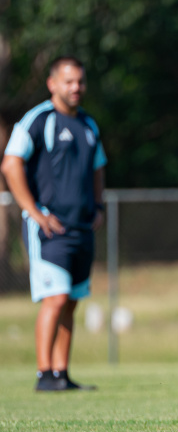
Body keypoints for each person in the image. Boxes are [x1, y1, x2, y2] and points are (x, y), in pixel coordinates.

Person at [1, 56, 106, 392]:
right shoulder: (38, 120)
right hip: (50, 229)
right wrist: (34, 211)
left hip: (81, 228)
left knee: (71, 301)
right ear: (52, 84)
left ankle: (61, 373)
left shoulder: (89, 125)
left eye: (80, 81)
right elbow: (10, 164)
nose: (75, 88)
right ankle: (44, 373)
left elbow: (98, 167)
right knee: (56, 298)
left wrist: (99, 205)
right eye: (68, 81)